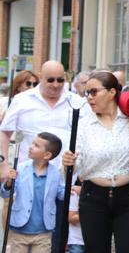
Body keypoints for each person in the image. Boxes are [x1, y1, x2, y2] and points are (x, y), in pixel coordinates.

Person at [61, 70, 129, 253]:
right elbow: (74, 168)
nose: (88, 97)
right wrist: (67, 162)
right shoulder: (83, 124)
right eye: (86, 93)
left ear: (112, 92)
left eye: (93, 92)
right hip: (93, 197)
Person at [0, 61, 85, 253]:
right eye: (50, 80)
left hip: (64, 178)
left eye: (60, 80)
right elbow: (4, 132)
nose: (56, 84)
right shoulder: (23, 100)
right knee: (25, 229)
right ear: (40, 77)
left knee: (55, 238)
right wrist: (3, 163)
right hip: (29, 179)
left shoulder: (76, 102)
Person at [1, 132, 65, 253]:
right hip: (20, 230)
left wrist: (70, 189)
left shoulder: (55, 173)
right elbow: (5, 194)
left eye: (36, 145)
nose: (30, 146)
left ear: (47, 155)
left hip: (43, 232)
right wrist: (9, 183)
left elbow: (61, 195)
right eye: (32, 143)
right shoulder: (20, 168)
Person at [67, 182, 84, 253]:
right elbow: (71, 218)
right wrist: (90, 213)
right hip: (77, 241)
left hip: (96, 241)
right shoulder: (75, 192)